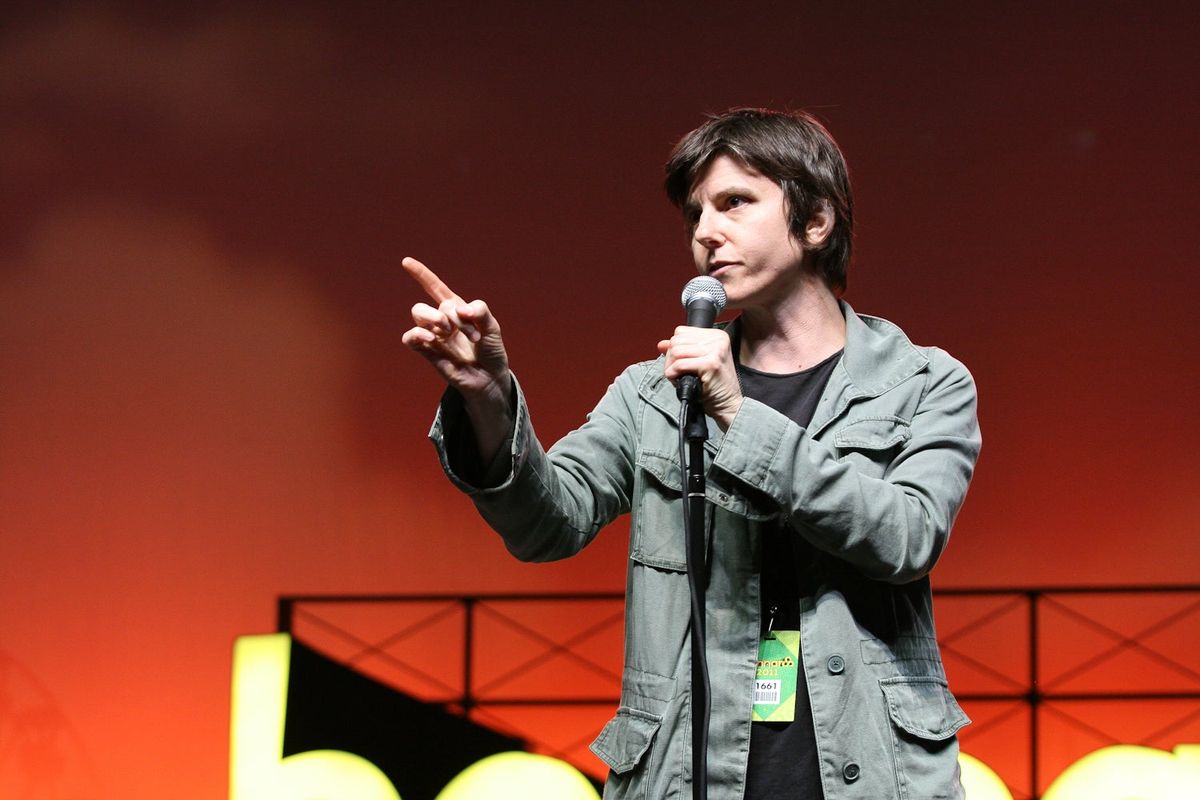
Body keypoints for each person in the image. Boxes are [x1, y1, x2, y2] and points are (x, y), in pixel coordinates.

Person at [402, 108, 981, 800]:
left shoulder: (922, 382)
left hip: (875, 777)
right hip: (689, 776)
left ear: (816, 222)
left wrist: (736, 412)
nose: (706, 232)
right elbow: (546, 525)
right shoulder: (653, 393)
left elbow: (907, 537)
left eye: (734, 202)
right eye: (695, 214)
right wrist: (489, 399)